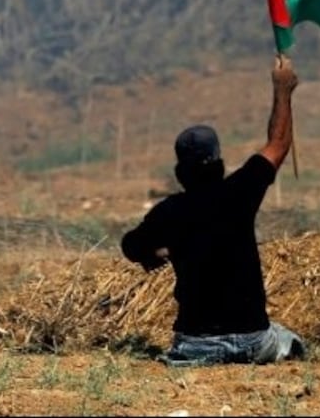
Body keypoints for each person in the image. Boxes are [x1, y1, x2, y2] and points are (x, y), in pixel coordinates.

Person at [120, 54, 306, 367]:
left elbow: (129, 245)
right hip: (253, 341)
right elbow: (278, 143)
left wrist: (153, 254)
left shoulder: (168, 212)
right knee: (291, 340)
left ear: (181, 171)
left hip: (195, 347)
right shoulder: (241, 191)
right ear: (219, 163)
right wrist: (283, 91)